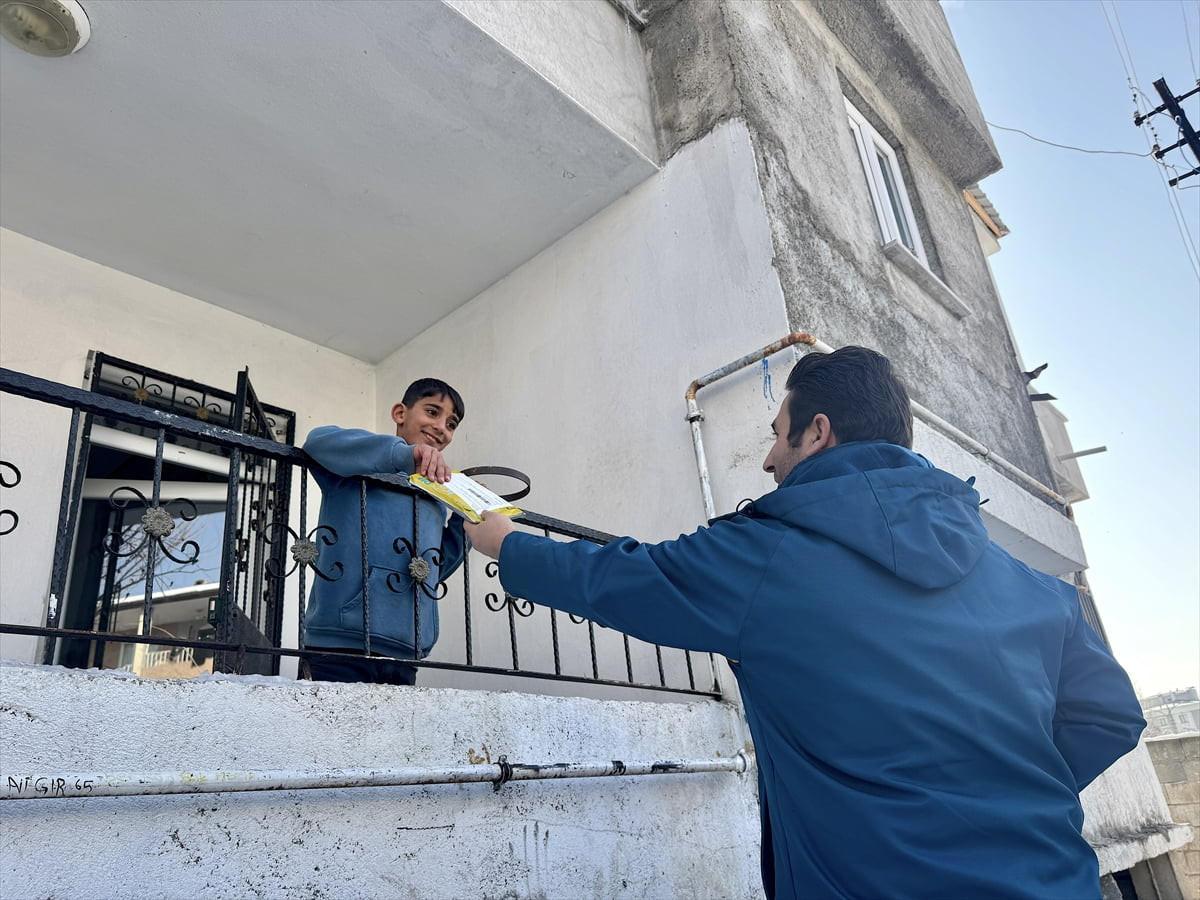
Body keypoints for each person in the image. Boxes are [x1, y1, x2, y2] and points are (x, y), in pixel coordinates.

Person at [465, 347, 1145, 899]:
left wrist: (503, 539)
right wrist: (1002, 794)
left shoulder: (764, 558)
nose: (767, 459)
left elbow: (622, 579)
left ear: (817, 432)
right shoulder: (1031, 588)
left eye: (775, 435)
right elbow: (1111, 718)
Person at [302, 378, 467, 686]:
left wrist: (467, 522)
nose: (442, 427)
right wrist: (403, 455)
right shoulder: (355, 467)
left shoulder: (436, 497)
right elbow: (317, 441)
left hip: (406, 649)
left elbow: (434, 570)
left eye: (451, 423)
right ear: (399, 413)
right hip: (341, 644)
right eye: (432, 412)